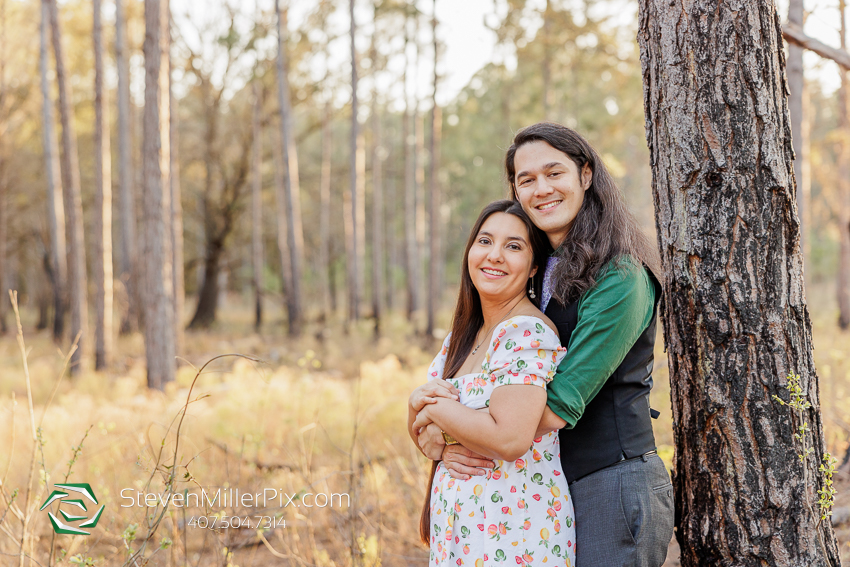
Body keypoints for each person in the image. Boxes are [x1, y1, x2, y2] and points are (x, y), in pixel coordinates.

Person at [417, 123, 675, 567]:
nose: (542, 189)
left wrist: (442, 419)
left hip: (611, 481)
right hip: (548, 484)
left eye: (554, 173)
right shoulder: (543, 273)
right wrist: (440, 438)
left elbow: (553, 407)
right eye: (526, 179)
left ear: (586, 175)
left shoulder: (621, 276)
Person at [408, 200, 576, 566]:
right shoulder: (461, 337)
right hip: (461, 532)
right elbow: (424, 434)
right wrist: (428, 427)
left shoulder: (525, 333)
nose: (494, 255)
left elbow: (509, 439)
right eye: (485, 241)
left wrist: (432, 406)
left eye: (513, 246)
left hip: (513, 534)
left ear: (534, 267)